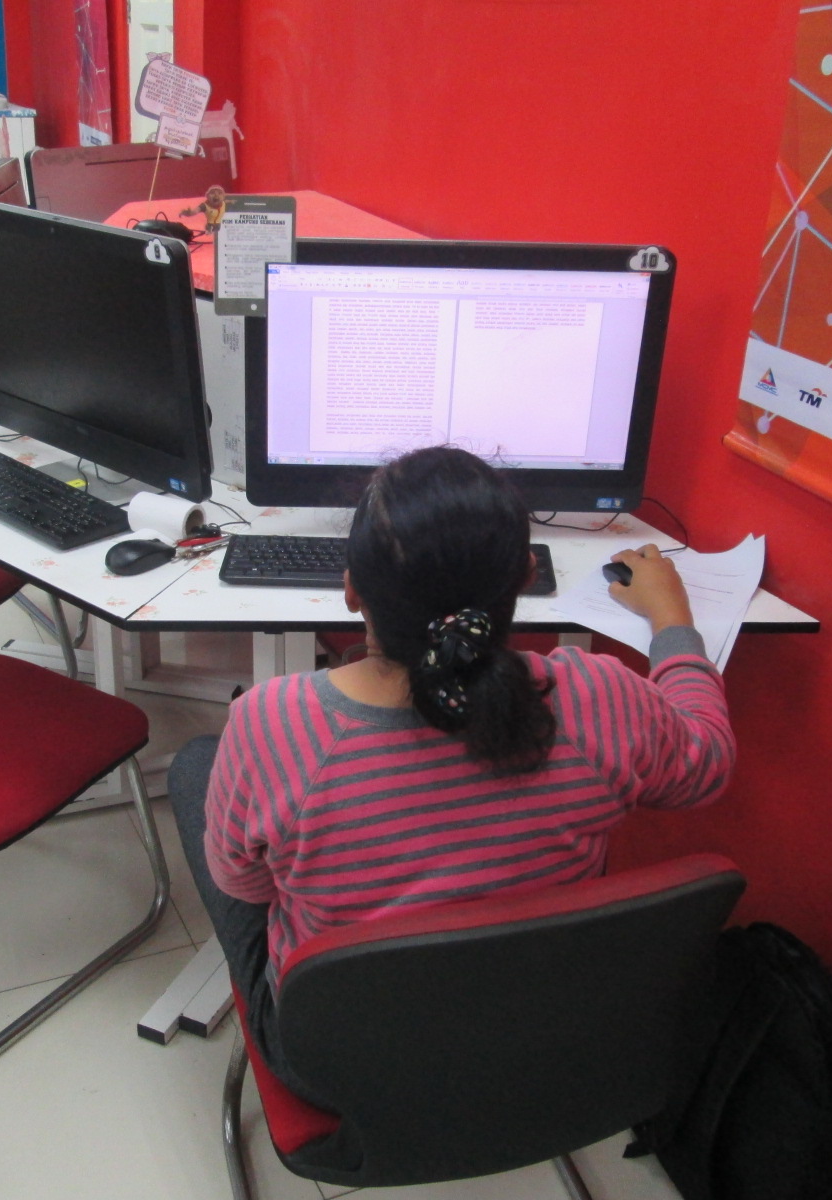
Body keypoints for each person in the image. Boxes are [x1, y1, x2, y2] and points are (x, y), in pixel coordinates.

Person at [169, 445, 734, 1103]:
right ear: (525, 577)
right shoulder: (598, 700)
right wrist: (672, 621)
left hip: (338, 1064)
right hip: (539, 1037)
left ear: (351, 589)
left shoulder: (273, 725)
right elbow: (708, 762)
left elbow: (248, 884)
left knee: (197, 766)